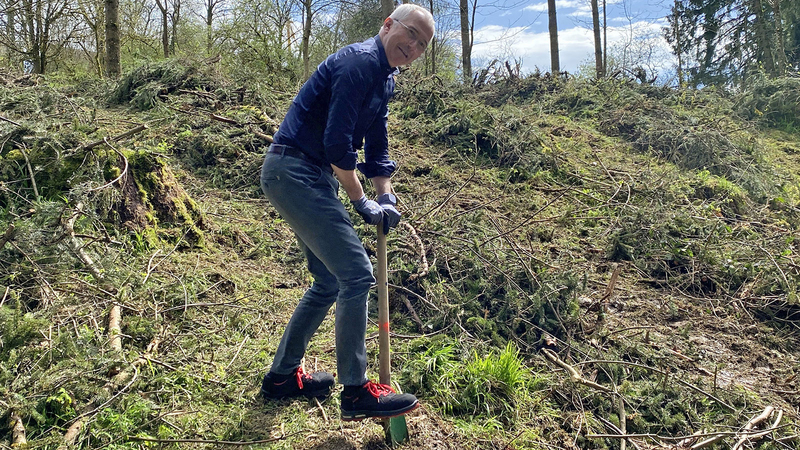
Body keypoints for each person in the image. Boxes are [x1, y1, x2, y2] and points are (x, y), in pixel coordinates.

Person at [258, 4, 435, 421]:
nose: (413, 47)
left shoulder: (385, 78)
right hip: (293, 170)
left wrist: (386, 194)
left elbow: (377, 145)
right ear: (388, 25)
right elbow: (339, 145)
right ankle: (356, 392)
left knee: (327, 281)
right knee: (356, 274)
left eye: (423, 45)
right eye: (410, 34)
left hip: (309, 174)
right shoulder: (357, 64)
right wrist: (360, 201)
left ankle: (282, 378)